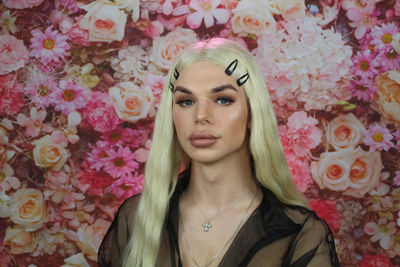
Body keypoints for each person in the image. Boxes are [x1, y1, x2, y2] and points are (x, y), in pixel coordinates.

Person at [98, 38, 340, 267]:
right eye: (185, 101)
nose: (201, 116)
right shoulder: (137, 218)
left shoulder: (299, 234)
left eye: (223, 99)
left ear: (252, 112)